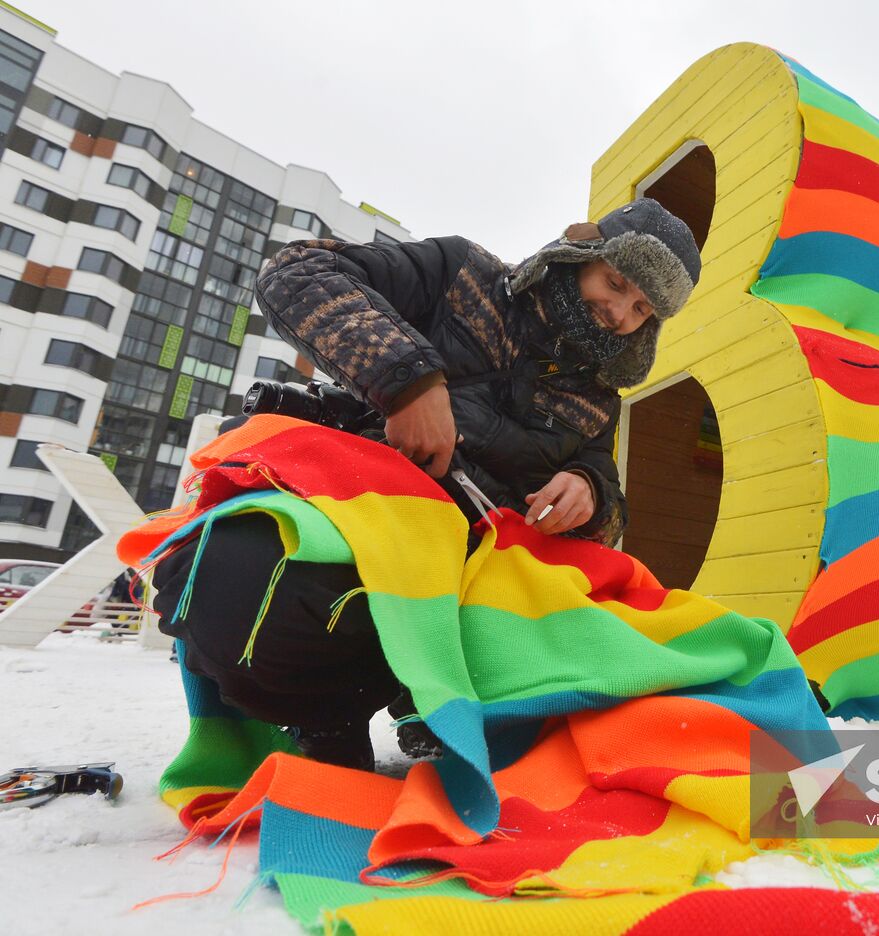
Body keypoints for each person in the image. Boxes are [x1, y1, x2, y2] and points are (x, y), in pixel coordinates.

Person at [150, 198, 702, 768]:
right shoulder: (462, 273)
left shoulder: (598, 400)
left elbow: (609, 499)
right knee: (234, 571)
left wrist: (588, 489)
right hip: (366, 528)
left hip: (479, 588)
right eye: (615, 282)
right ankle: (327, 716)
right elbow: (296, 272)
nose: (619, 313)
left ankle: (436, 704)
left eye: (641, 309)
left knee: (656, 646)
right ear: (580, 253)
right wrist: (408, 381)